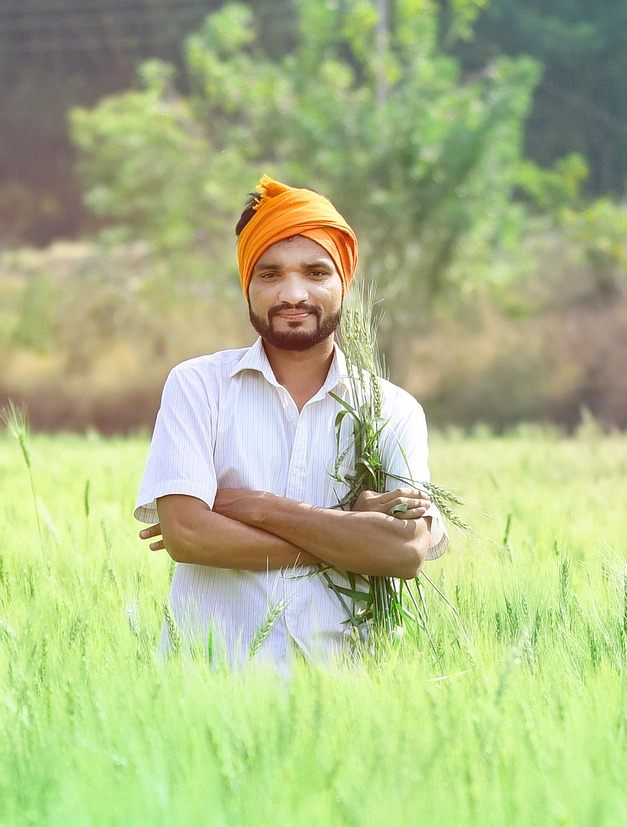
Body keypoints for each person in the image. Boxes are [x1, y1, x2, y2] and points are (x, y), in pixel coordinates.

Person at [134, 175, 448, 673]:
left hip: (343, 689)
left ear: (344, 282)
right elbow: (188, 536)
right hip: (209, 684)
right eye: (270, 274)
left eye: (316, 272)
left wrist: (254, 506)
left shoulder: (393, 409)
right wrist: (349, 532)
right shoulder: (198, 386)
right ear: (248, 285)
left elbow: (405, 551)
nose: (293, 293)